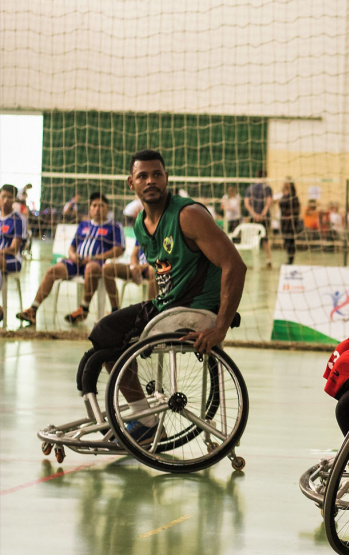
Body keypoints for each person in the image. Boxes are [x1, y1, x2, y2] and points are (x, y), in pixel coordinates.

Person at [73, 149, 246, 442]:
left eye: (156, 174)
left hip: (194, 309)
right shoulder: (141, 223)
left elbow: (235, 266)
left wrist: (220, 327)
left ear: (166, 178)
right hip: (168, 306)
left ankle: (146, 422)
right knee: (104, 335)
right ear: (131, 183)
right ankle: (147, 419)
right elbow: (163, 274)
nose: (150, 180)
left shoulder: (188, 215)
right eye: (143, 176)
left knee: (109, 338)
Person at [17, 192, 125, 326]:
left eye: (101, 206)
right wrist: (73, 256)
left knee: (92, 267)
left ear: (107, 208)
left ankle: (83, 308)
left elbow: (118, 249)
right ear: (90, 208)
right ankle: (33, 310)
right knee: (52, 271)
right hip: (76, 263)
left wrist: (94, 257)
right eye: (94, 205)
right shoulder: (84, 225)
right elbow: (72, 246)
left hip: (96, 263)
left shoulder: (114, 226)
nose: (97, 209)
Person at [1, 184, 29, 323]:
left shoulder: (19, 219)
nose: (6, 200)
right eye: (3, 196)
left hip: (12, 260)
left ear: (14, 200)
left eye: (9, 197)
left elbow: (14, 249)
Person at [100, 244, 157, 311]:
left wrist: (142, 267)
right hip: (136, 267)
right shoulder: (141, 237)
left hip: (150, 268)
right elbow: (134, 254)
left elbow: (160, 258)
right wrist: (134, 267)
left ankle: (151, 310)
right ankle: (115, 309)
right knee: (107, 269)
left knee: (153, 270)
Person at [244, 169, 273, 268]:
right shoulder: (267, 188)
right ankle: (268, 259)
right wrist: (262, 214)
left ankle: (248, 260)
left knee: (251, 238)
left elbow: (246, 203)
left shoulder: (250, 188)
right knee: (265, 239)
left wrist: (254, 214)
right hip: (264, 218)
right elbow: (269, 202)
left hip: (253, 217)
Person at [278, 178, 302, 264]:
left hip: (291, 222)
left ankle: (291, 259)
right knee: (286, 240)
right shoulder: (283, 195)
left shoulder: (293, 197)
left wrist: (291, 216)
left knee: (290, 240)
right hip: (284, 221)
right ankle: (289, 257)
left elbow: (297, 210)